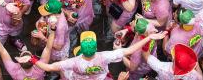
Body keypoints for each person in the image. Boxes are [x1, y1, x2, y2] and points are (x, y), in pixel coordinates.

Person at [32, 30, 167, 78]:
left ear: (80, 49)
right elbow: (129, 51)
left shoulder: (72, 62)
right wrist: (149, 38)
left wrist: (31, 59)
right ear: (96, 47)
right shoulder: (105, 56)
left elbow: (49, 67)